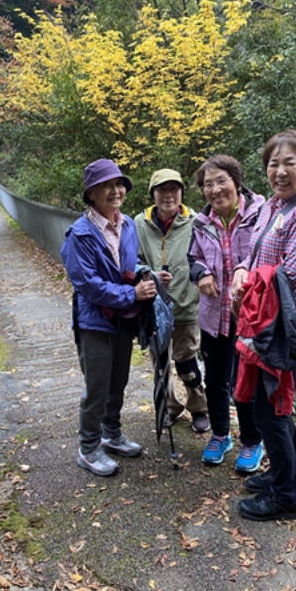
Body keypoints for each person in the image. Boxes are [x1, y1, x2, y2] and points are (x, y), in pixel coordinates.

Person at [231, 129, 296, 521]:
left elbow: (293, 272)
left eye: (290, 163)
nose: (280, 171)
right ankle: (280, 476)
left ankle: (286, 497)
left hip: (287, 328)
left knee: (272, 410)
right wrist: (241, 270)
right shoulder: (272, 207)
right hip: (262, 325)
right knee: (265, 408)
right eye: (274, 163)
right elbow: (254, 255)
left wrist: (248, 285)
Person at [60, 158, 157, 477]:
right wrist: (132, 295)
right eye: (106, 186)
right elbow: (87, 284)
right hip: (95, 321)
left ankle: (111, 434)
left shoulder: (126, 224)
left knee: (118, 381)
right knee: (97, 387)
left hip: (122, 319)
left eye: (119, 185)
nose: (116, 191)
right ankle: (88, 448)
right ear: (91, 194)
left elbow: (127, 264)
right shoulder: (79, 234)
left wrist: (147, 274)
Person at [188, 155, 266, 471]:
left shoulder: (260, 214)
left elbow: (267, 254)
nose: (215, 189)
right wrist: (201, 273)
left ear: (236, 181)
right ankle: (220, 435)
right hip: (213, 315)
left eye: (222, 181)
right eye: (208, 184)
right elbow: (193, 258)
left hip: (249, 315)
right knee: (215, 378)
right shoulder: (200, 222)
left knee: (245, 380)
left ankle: (252, 440)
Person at [135, 169, 210, 434]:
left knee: (187, 361)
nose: (168, 195)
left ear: (181, 192)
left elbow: (206, 257)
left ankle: (199, 408)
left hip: (187, 305)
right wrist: (149, 275)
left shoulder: (196, 221)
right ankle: (169, 407)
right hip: (154, 306)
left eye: (174, 189)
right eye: (162, 190)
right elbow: (133, 259)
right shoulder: (140, 223)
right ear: (153, 194)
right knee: (160, 362)